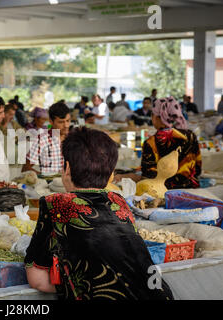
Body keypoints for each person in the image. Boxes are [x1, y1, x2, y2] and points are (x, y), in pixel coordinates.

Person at [25, 126, 174, 300]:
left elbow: (38, 281)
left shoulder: (55, 204)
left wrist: (79, 284)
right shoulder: (119, 202)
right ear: (111, 175)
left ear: (66, 168)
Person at [116, 97, 202, 189]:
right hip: (191, 187)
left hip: (164, 191)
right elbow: (198, 168)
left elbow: (149, 178)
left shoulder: (151, 142)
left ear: (159, 117)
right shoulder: (191, 135)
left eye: (153, 114)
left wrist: (132, 177)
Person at [22, 102, 71, 175]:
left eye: (68, 121)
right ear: (51, 122)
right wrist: (45, 176)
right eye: (61, 122)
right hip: (50, 184)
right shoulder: (42, 140)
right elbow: (25, 168)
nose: (66, 125)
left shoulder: (74, 139)